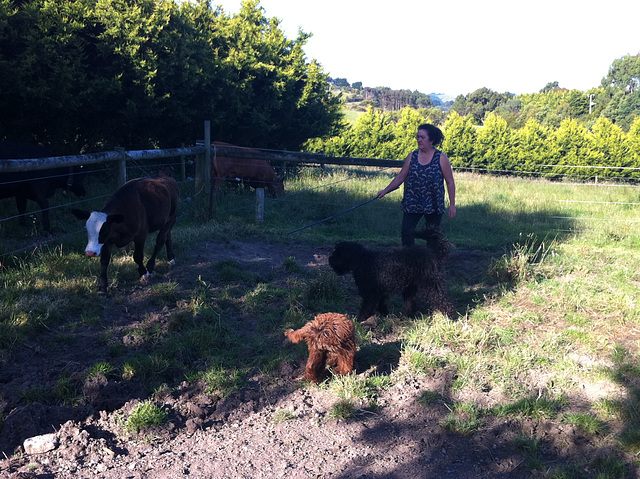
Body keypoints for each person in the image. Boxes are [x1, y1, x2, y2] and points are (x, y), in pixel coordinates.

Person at [377, 123, 456, 246]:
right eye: (417, 137)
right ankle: (410, 260)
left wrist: (452, 205)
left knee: (432, 236)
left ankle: (432, 262)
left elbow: (450, 182)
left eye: (422, 137)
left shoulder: (441, 158)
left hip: (433, 202)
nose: (419, 140)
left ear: (431, 140)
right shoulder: (412, 156)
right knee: (406, 232)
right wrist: (385, 190)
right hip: (413, 201)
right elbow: (401, 176)